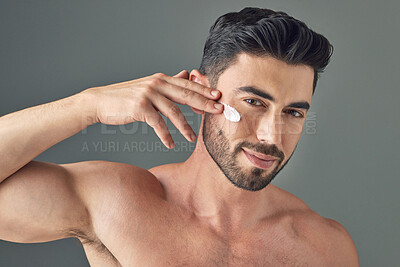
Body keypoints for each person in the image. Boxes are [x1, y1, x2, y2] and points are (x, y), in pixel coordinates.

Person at [0, 7, 359, 266]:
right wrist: (87, 105)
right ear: (201, 93)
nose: (271, 135)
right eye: (253, 102)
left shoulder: (325, 249)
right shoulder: (117, 204)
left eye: (293, 112)